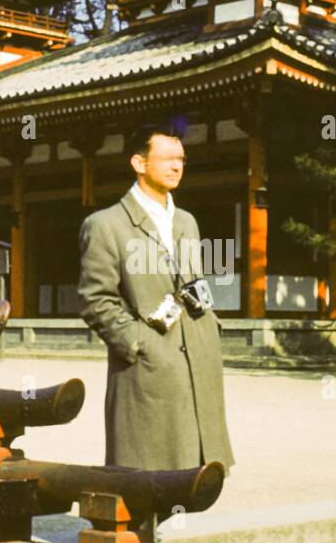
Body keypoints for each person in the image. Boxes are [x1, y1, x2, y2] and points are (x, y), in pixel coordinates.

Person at [77, 124, 234, 478]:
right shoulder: (106, 225)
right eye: (167, 159)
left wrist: (210, 325)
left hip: (197, 356)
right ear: (139, 162)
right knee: (143, 470)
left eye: (181, 159)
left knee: (193, 470)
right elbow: (95, 299)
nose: (177, 166)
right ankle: (138, 531)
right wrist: (137, 341)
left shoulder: (187, 222)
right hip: (147, 362)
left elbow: (193, 284)